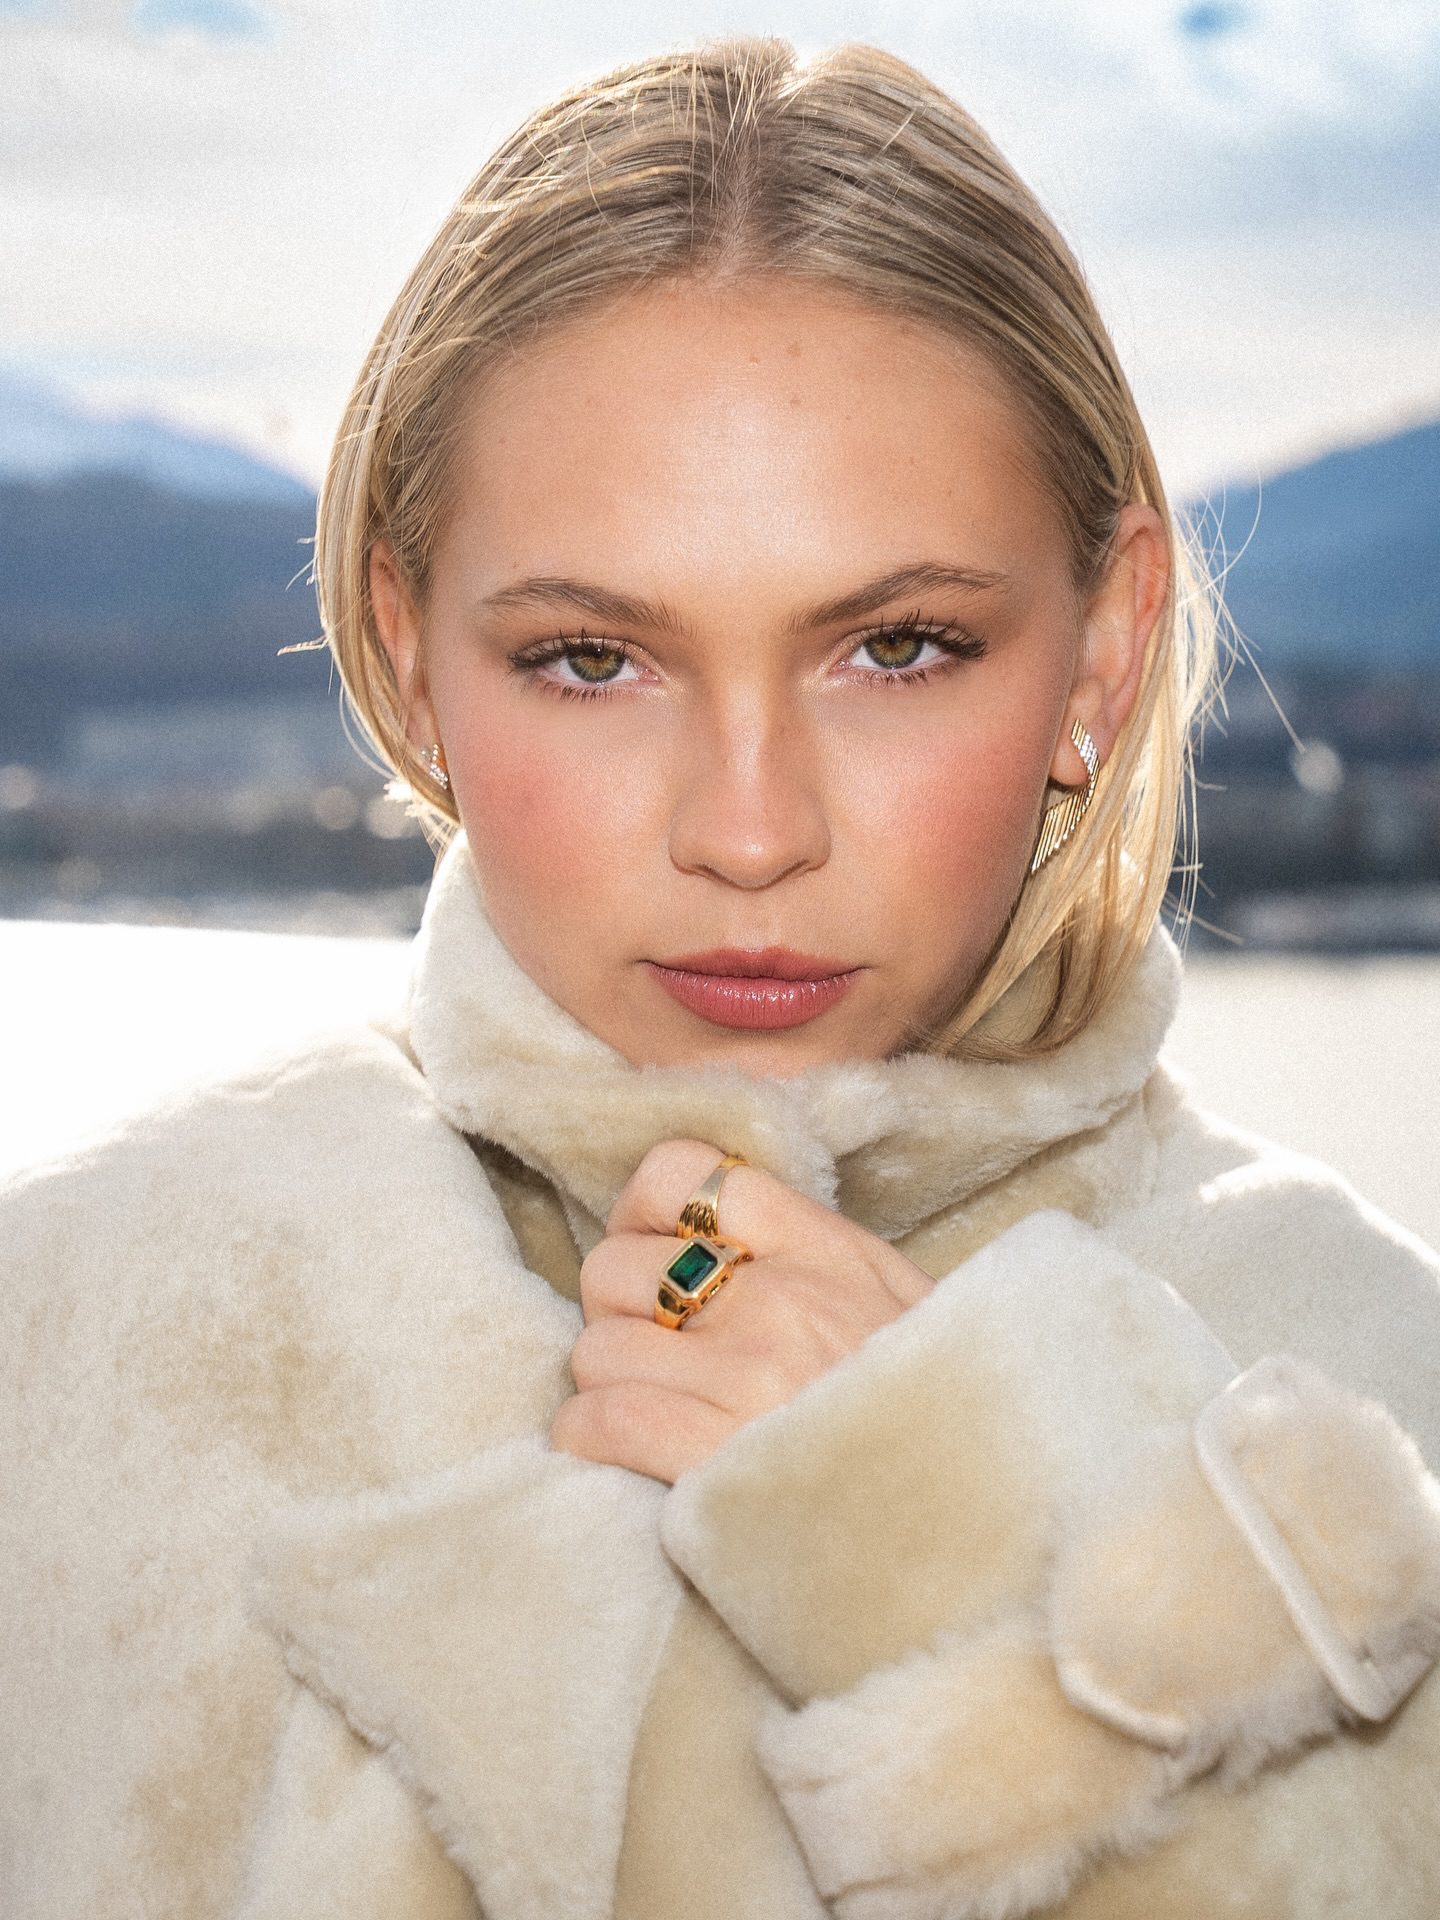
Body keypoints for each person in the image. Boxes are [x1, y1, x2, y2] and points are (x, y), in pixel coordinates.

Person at [3, 32, 1438, 1920]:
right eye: (593, 659)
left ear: (1102, 654)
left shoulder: (1375, 1379)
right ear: (411, 660)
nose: (750, 833)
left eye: (899, 647)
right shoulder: (80, 1340)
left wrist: (964, 1521)